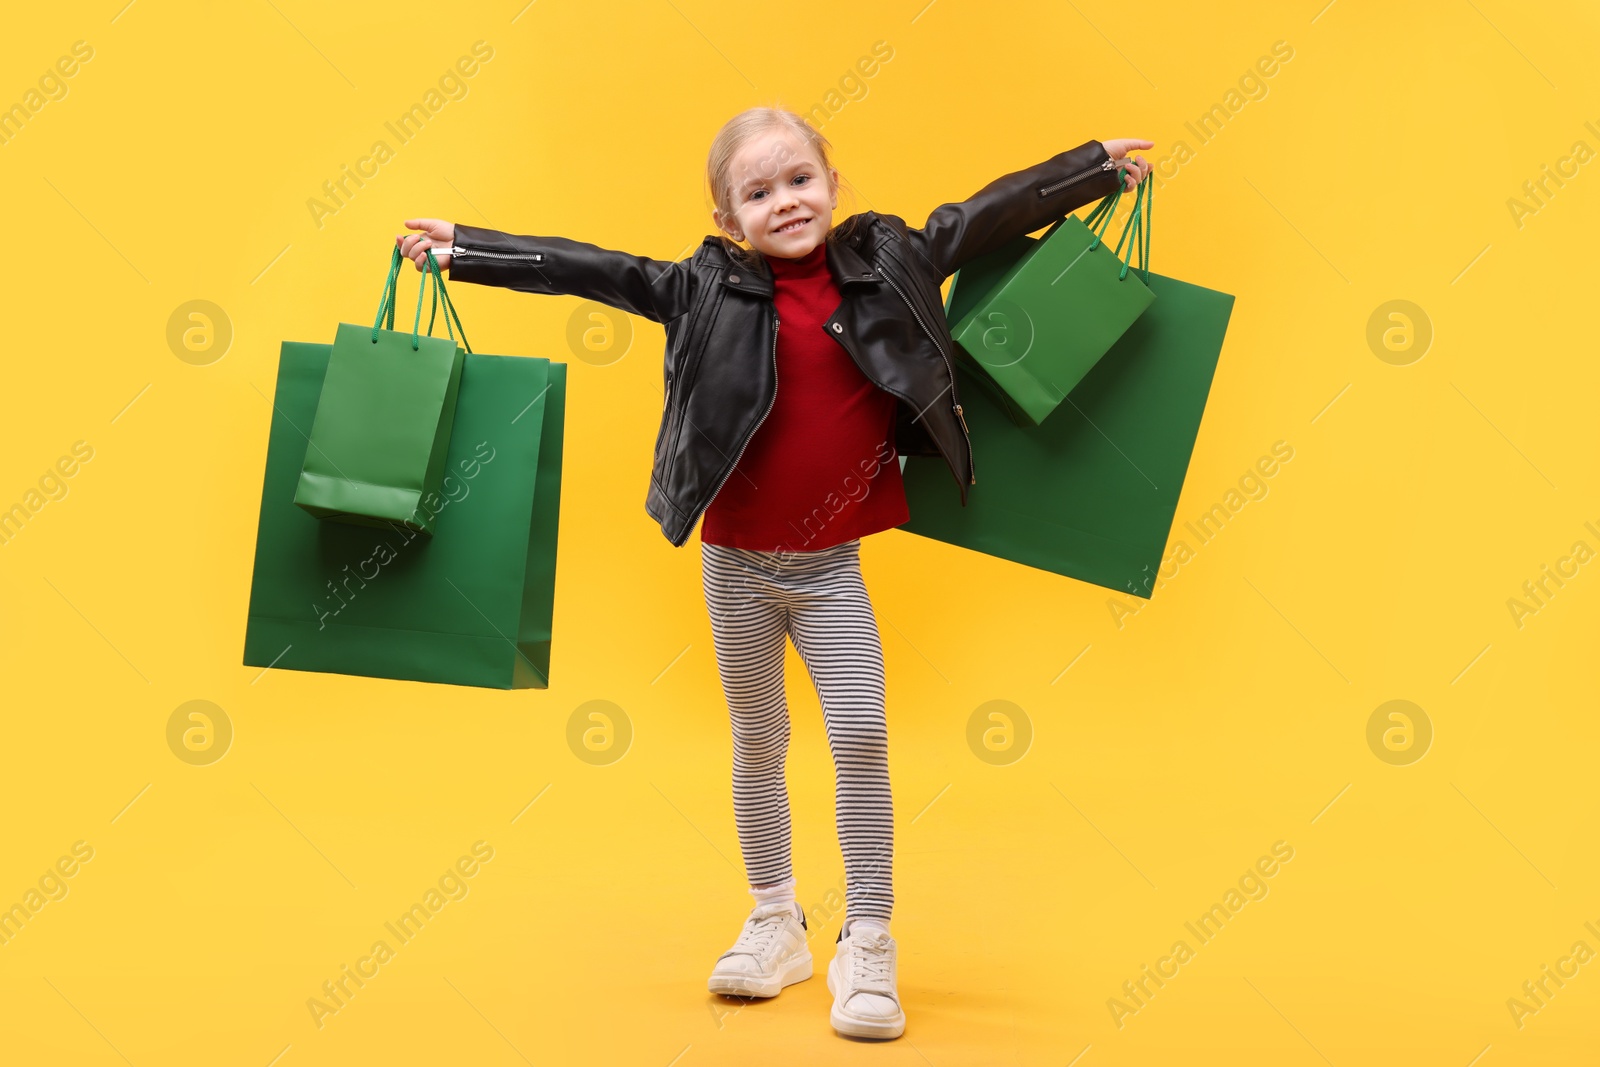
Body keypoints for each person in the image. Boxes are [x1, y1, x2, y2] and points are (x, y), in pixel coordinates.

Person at [399, 107, 1151, 1041]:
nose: (785, 201)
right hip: (736, 569)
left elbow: (984, 215)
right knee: (757, 741)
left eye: (799, 179)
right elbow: (590, 268)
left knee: (861, 740)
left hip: (832, 572)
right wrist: (466, 248)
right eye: (757, 193)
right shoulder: (702, 290)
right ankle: (775, 919)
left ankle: (867, 934)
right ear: (728, 220)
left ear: (833, 184)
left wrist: (1089, 169)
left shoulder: (892, 260)